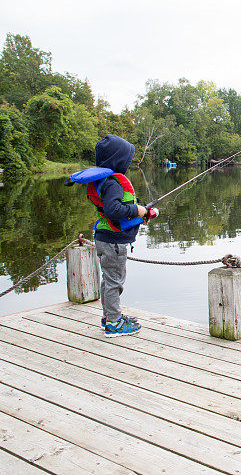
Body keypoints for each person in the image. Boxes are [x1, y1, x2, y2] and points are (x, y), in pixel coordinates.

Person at [87, 135, 149, 338]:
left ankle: (110, 316)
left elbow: (116, 209)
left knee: (109, 280)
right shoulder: (114, 183)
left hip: (105, 236)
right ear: (117, 161)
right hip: (114, 241)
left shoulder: (105, 180)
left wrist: (140, 214)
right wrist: (136, 209)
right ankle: (114, 324)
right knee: (115, 281)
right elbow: (114, 210)